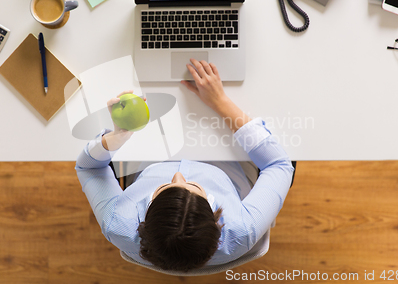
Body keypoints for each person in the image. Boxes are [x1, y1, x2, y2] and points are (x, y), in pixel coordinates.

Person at [75, 58, 294, 272]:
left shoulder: (119, 223)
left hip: (149, 153)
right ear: (216, 219)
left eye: (163, 188)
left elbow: (89, 168)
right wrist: (220, 101)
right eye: (195, 186)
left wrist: (117, 137)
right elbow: (279, 165)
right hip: (227, 160)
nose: (178, 175)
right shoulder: (242, 228)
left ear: (143, 221)